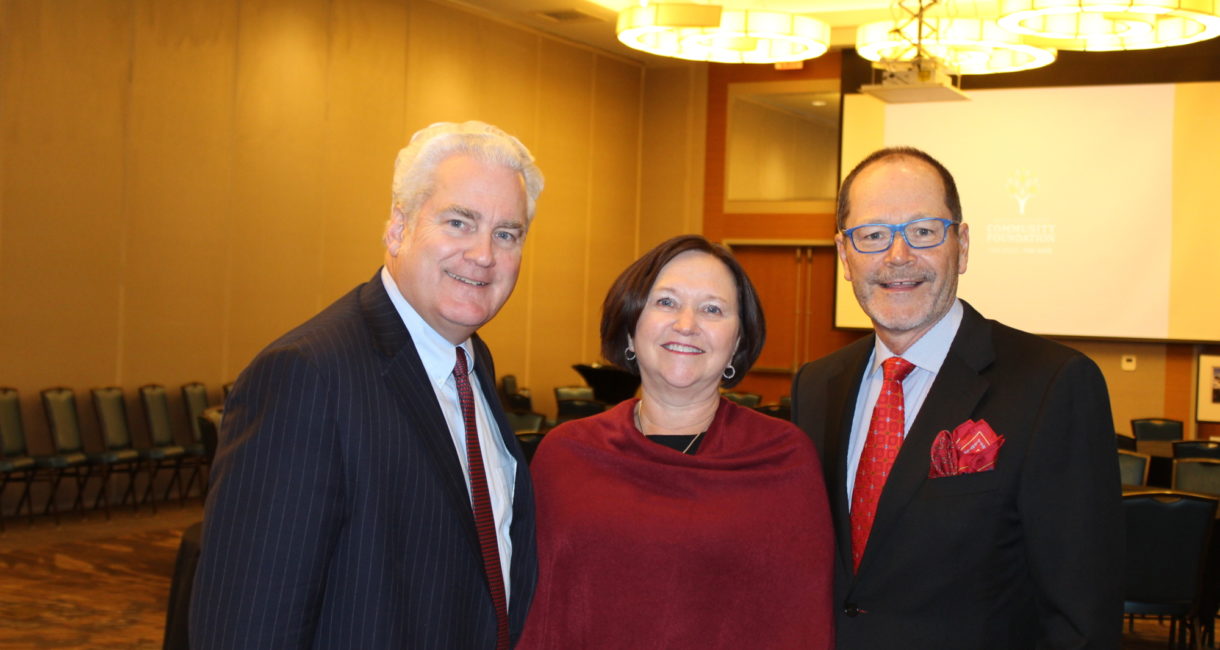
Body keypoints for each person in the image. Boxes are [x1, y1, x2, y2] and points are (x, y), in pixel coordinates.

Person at [190, 121, 544, 649]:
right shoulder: (307, 376)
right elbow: (246, 625)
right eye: (458, 222)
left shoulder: (470, 363)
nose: (484, 254)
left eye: (506, 233)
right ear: (398, 228)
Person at [792, 147, 1122, 649]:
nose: (897, 257)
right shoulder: (816, 385)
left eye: (923, 232)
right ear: (844, 255)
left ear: (962, 245)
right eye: (873, 235)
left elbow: (1082, 613)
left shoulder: (1054, 385)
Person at [520, 235, 834, 649]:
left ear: (737, 343)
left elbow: (802, 622)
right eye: (666, 302)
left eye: (712, 309)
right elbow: (539, 612)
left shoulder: (783, 458)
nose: (686, 324)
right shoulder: (566, 455)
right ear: (631, 328)